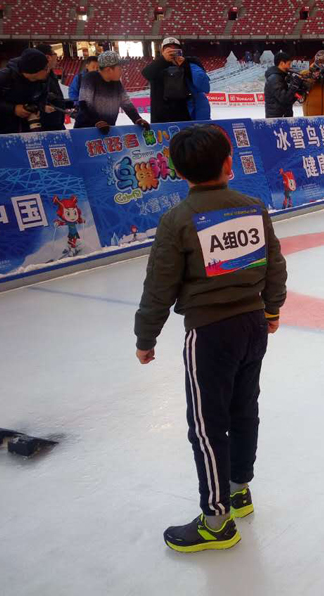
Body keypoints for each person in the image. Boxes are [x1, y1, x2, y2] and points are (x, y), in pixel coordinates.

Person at [134, 124, 288, 553]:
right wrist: (271, 309)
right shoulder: (252, 208)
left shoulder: (178, 219)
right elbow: (276, 266)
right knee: (244, 410)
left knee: (206, 426)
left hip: (210, 334)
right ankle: (238, 489)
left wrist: (146, 337)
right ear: (228, 164)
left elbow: (159, 286)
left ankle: (217, 520)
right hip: (254, 325)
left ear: (179, 173)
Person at [0, 48, 50, 134]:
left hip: (28, 129)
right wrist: (13, 109)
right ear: (34, 71)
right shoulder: (4, 77)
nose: (48, 70)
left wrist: (36, 108)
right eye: (46, 68)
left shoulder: (43, 81)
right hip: (3, 128)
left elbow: (43, 98)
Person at [74, 51, 150, 133]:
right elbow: (85, 103)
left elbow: (126, 103)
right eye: (120, 69)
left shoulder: (117, 83)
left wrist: (137, 119)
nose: (122, 71)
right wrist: (98, 121)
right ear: (108, 70)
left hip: (107, 130)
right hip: (86, 130)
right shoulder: (90, 78)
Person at [141, 37, 208, 123]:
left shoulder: (190, 62)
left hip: (184, 114)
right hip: (161, 117)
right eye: (168, 49)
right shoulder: (157, 65)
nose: (172, 51)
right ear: (162, 51)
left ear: (181, 51)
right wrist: (163, 60)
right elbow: (146, 73)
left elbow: (201, 81)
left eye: (175, 49)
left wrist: (184, 64)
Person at [34, 44, 67, 132]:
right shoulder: (36, 76)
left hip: (57, 124)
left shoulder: (52, 75)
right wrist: (42, 107)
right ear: (48, 57)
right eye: (55, 53)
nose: (57, 56)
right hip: (43, 127)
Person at [264, 50, 301, 119]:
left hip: (284, 117)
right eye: (288, 64)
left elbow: (289, 100)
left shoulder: (282, 77)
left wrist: (299, 91)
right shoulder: (274, 78)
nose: (290, 67)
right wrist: (294, 85)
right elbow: (284, 99)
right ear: (282, 63)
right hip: (277, 119)